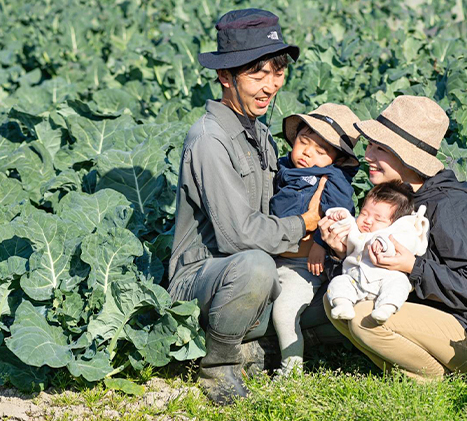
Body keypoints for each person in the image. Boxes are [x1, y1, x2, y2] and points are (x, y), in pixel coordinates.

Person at [167, 8, 325, 405]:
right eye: (257, 74)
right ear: (225, 76)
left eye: (277, 72)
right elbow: (237, 235)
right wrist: (301, 224)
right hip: (201, 279)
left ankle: (250, 344)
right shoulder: (209, 139)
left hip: (249, 271)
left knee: (333, 291)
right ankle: (219, 365)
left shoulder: (259, 133)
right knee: (255, 264)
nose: (270, 85)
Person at [319, 95, 467, 381]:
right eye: (370, 145)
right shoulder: (398, 199)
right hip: (427, 318)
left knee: (363, 320)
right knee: (333, 302)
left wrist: (413, 266)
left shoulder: (449, 207)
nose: (368, 156)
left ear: (407, 156)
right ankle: (406, 378)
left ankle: (435, 381)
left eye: (380, 149)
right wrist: (341, 252)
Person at [270, 104, 360, 377]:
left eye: (321, 152)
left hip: (303, 267)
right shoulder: (280, 169)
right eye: (304, 143)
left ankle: (291, 372)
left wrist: (320, 244)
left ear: (336, 159)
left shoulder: (331, 179)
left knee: (284, 312)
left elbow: (339, 218)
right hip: (271, 258)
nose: (308, 153)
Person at [326, 181, 429, 324]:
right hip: (356, 279)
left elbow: (409, 242)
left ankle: (386, 308)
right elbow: (345, 224)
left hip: (385, 280)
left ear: (395, 223)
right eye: (364, 213)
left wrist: (384, 244)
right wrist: (339, 216)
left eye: (378, 219)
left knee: (400, 284)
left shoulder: (399, 232)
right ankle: (344, 305)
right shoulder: (357, 231)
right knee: (338, 282)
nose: (367, 221)